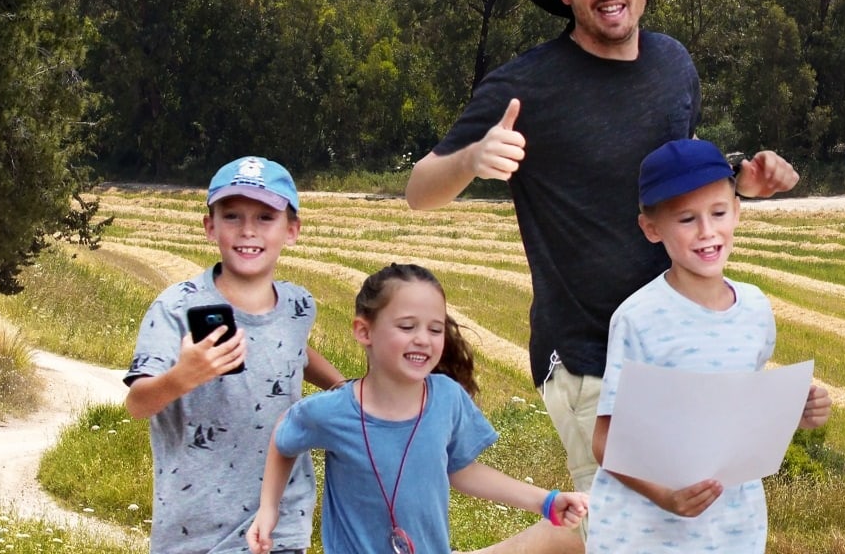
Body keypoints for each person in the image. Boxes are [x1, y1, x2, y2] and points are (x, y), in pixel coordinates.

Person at [405, 0, 799, 552]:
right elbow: (419, 189)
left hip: (673, 342)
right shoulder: (526, 85)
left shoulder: (675, 66)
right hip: (587, 349)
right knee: (631, 526)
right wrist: (473, 157)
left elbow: (669, 178)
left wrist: (736, 178)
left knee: (641, 524)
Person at [588, 138, 830, 552]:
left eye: (718, 213)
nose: (706, 232)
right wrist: (665, 495)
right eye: (686, 219)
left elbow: (742, 413)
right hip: (645, 534)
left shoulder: (754, 308)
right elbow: (605, 441)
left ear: (736, 211)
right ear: (652, 229)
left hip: (731, 529)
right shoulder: (639, 319)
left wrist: (797, 410)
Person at [247, 263, 589, 554]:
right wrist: (268, 509)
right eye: (407, 327)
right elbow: (283, 436)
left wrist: (545, 500)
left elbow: (460, 470)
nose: (423, 339)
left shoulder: (447, 399)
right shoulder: (332, 412)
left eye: (435, 329)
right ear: (364, 331)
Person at [125, 155, 346, 554]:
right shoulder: (175, 308)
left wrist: (339, 384)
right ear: (210, 227)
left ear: (292, 230)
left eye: (265, 217)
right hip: (196, 532)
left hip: (282, 524)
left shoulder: (299, 305)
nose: (248, 230)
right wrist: (182, 377)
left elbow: (293, 347)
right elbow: (138, 404)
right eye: (232, 216)